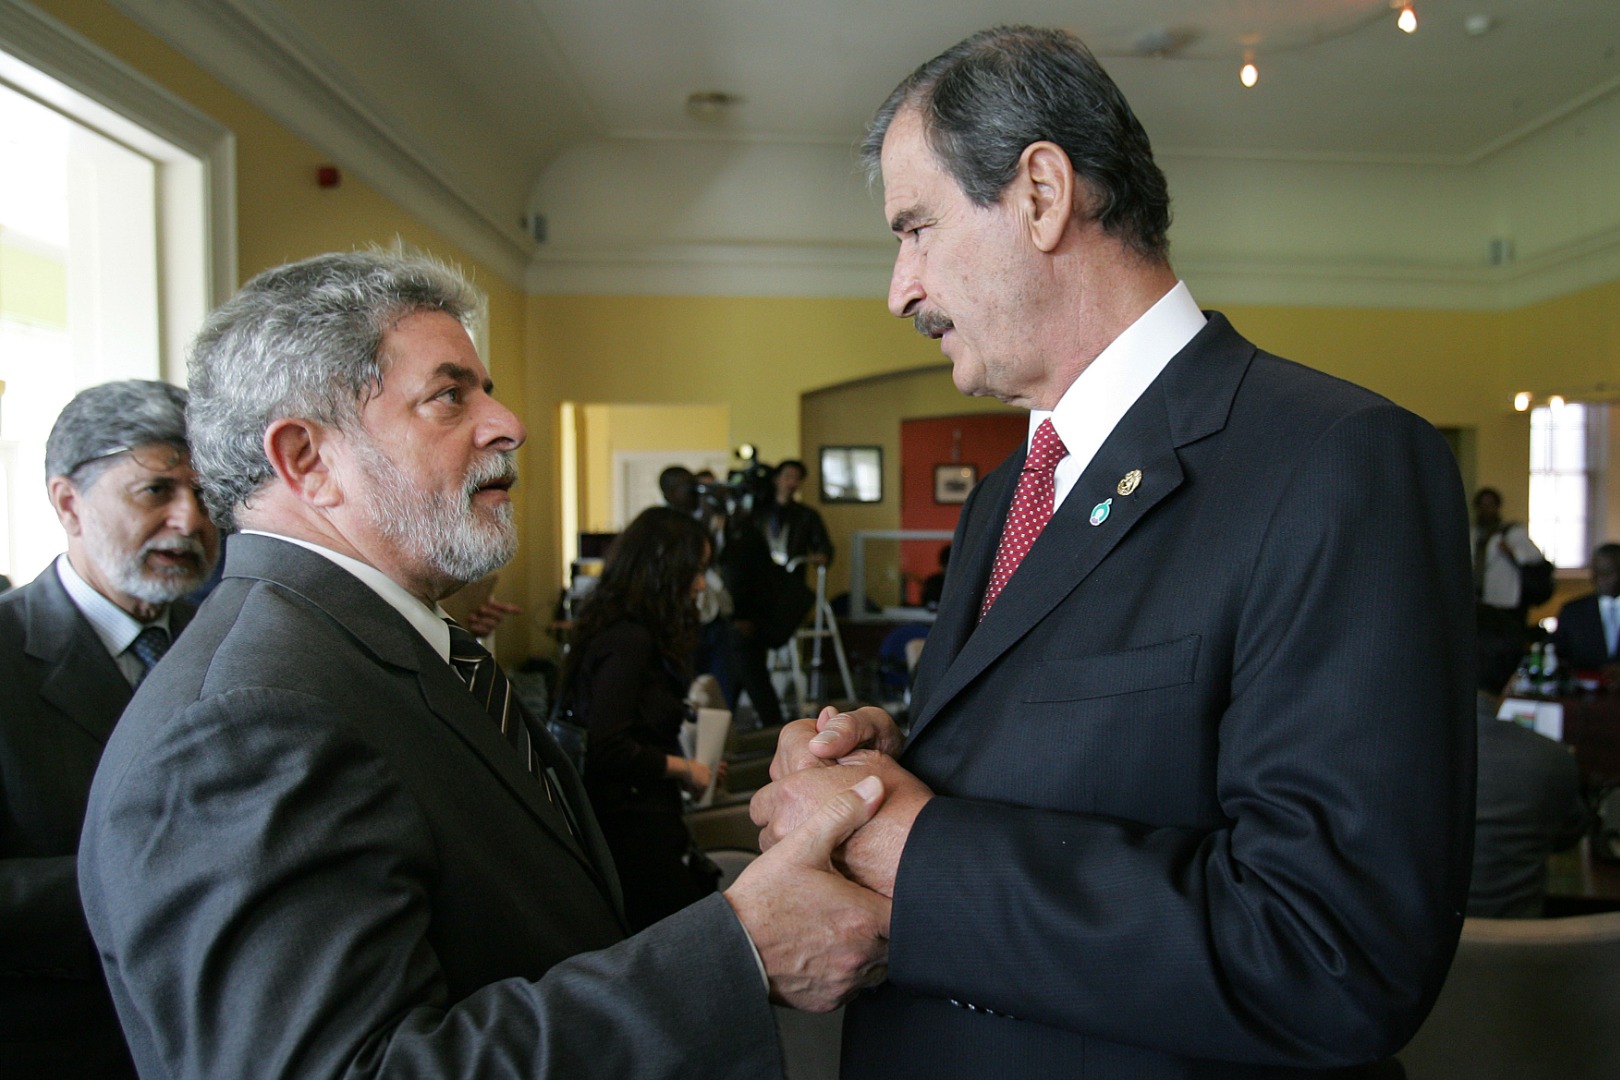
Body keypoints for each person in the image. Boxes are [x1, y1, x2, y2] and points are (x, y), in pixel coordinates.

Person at [753, 26, 1475, 1078]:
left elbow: (1335, 952)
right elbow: (1089, 743)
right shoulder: (1010, 490)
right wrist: (882, 759)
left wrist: (907, 845)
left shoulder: (1339, 463)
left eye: (915, 228)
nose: (899, 288)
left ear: (1042, 193)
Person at [76, 250, 892, 1080]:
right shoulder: (249, 716)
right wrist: (740, 951)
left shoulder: (381, 641)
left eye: (486, 389)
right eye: (448, 396)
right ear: (308, 460)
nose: (509, 423)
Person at [1, 379, 218, 1078]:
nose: (190, 520)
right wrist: (163, 880)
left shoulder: (229, 643)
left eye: (207, 493)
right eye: (156, 491)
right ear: (68, 503)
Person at [564, 505, 726, 930]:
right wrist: (685, 768)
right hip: (628, 827)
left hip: (642, 813)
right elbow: (608, 747)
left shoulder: (627, 631)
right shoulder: (629, 641)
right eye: (696, 570)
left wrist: (692, 769)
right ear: (664, 571)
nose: (700, 584)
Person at [1469, 632, 1589, 918]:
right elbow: (1569, 834)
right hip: (1520, 951)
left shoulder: (1394, 753)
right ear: (1511, 683)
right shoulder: (1551, 757)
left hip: (1416, 954)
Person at [1472, 486, 1546, 638]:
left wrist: (1511, 551)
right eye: (1482, 505)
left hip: (1507, 600)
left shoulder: (1512, 532)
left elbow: (1534, 557)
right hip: (1481, 599)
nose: (1486, 510)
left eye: (1490, 505)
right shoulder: (1474, 534)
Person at [1551, 542, 1620, 672]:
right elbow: (1558, 655)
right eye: (1595, 572)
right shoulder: (1572, 612)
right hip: (1583, 689)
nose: (1598, 579)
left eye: (1607, 572)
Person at [761, 459, 833, 574]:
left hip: (791, 575)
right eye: (787, 476)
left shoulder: (806, 515)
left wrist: (822, 555)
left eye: (797, 479)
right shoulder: (759, 512)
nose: (791, 482)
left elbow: (822, 544)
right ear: (776, 479)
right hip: (759, 575)